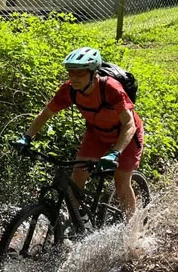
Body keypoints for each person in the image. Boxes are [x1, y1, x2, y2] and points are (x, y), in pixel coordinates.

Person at [15, 46, 144, 217]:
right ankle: (78, 223)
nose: (74, 78)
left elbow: (129, 124)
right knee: (78, 175)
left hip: (126, 135)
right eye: (71, 73)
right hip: (96, 133)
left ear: (93, 73)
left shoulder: (111, 89)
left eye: (80, 73)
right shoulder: (69, 90)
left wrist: (115, 153)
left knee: (121, 181)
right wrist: (27, 137)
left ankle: (133, 231)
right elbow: (46, 113)